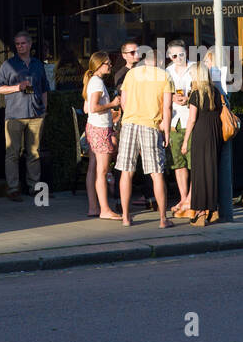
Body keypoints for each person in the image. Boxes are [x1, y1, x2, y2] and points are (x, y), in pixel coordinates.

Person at [115, 53, 173, 227]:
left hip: (129, 124)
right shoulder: (164, 76)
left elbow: (123, 102)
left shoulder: (132, 74)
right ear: (159, 62)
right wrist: (167, 132)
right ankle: (163, 219)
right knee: (156, 173)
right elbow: (167, 107)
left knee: (126, 172)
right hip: (151, 125)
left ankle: (125, 217)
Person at [0, 30, 49, 200]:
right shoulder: (8, 65)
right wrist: (17, 87)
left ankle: (34, 188)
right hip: (15, 115)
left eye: (23, 43)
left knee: (34, 153)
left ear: (30, 44)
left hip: (35, 114)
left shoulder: (38, 65)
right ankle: (13, 189)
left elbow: (45, 88)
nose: (20, 47)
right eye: (17, 44)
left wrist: (44, 109)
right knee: (12, 154)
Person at [181, 62, 224, 225]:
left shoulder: (196, 94)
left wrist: (185, 141)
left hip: (200, 133)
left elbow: (192, 119)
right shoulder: (215, 91)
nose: (191, 77)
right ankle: (212, 210)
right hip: (215, 133)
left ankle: (199, 211)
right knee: (212, 171)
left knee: (199, 172)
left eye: (192, 75)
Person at [82, 52, 121, 220]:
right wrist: (112, 104)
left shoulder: (93, 81)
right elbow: (93, 107)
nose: (110, 66)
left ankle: (94, 207)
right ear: (98, 65)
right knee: (102, 170)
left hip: (93, 127)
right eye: (107, 64)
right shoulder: (97, 82)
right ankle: (105, 209)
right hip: (100, 129)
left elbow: (86, 108)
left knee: (93, 168)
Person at [165, 39, 193, 216]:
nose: (178, 58)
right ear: (169, 56)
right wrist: (172, 98)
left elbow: (202, 90)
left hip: (191, 119)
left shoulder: (195, 68)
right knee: (178, 163)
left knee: (193, 161)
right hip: (175, 121)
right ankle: (183, 198)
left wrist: (189, 98)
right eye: (174, 55)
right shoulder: (166, 72)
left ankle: (191, 198)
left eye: (181, 54)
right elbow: (162, 95)